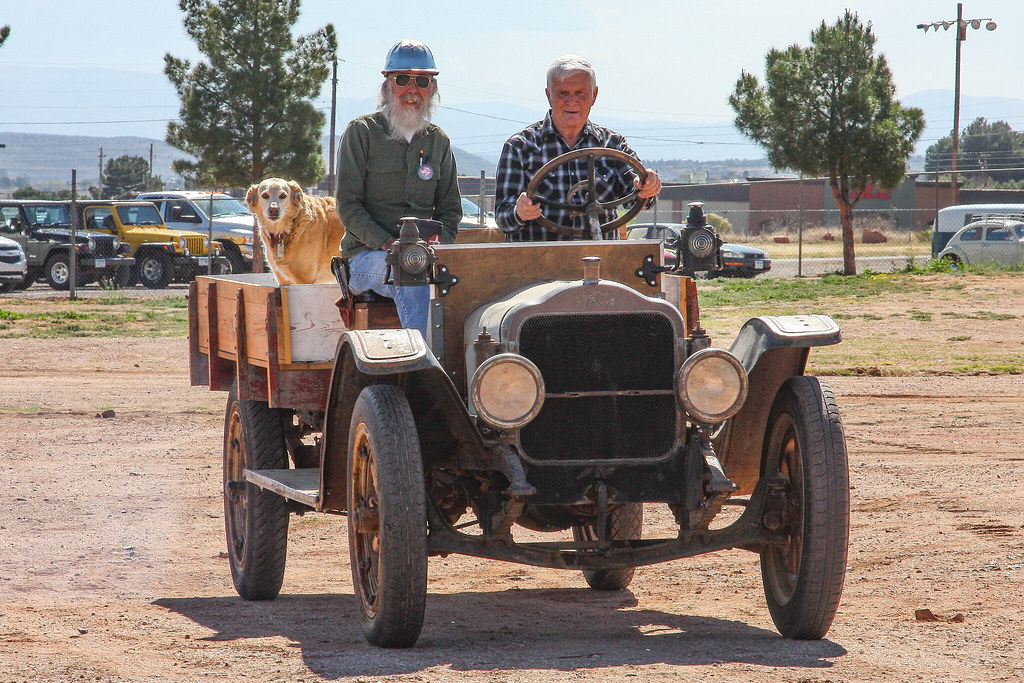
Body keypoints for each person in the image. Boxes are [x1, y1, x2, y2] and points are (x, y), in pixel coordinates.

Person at [335, 39, 462, 337]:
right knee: (411, 271)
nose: (411, 89)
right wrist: (387, 244)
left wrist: (441, 244)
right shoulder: (362, 133)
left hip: (424, 254)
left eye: (422, 80)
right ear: (388, 85)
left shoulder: (438, 141)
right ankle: (422, 367)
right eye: (402, 79)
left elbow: (451, 210)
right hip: (366, 257)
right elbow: (348, 207)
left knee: (467, 277)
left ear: (432, 88)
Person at [495, 54, 661, 241]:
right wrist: (520, 212)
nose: (571, 101)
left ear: (594, 95)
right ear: (549, 95)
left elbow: (639, 197)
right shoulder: (520, 147)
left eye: (580, 93)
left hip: (602, 260)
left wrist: (647, 186)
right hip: (540, 263)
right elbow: (503, 219)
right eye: (563, 94)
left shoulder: (612, 144)